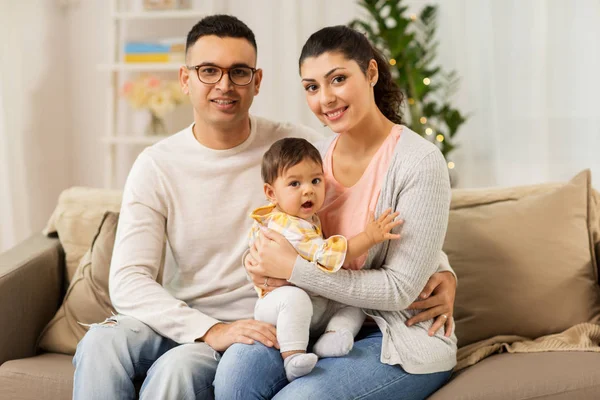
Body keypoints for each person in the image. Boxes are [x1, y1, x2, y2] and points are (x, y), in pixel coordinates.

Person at [72, 15, 456, 400]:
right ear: (185, 79)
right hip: (209, 319)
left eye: (238, 72)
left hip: (278, 319)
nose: (224, 85)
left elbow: (384, 221)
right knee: (99, 344)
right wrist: (208, 329)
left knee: (179, 372)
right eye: (208, 71)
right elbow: (128, 281)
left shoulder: (295, 149)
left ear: (257, 82)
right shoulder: (156, 164)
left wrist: (443, 271)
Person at [218, 25, 458, 399]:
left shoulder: (419, 162)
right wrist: (261, 262)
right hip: (316, 320)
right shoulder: (315, 160)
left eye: (338, 79)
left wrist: (294, 270)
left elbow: (399, 288)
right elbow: (291, 235)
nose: (325, 98)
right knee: (235, 374)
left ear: (372, 74)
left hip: (394, 331)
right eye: (312, 87)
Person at [250, 137, 403, 382]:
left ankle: (333, 336)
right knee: (295, 298)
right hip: (277, 305)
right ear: (271, 192)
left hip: (313, 303)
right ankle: (293, 357)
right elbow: (326, 255)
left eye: (315, 180)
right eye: (294, 183)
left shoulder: (303, 219)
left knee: (354, 303)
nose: (308, 189)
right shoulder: (287, 225)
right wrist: (368, 237)